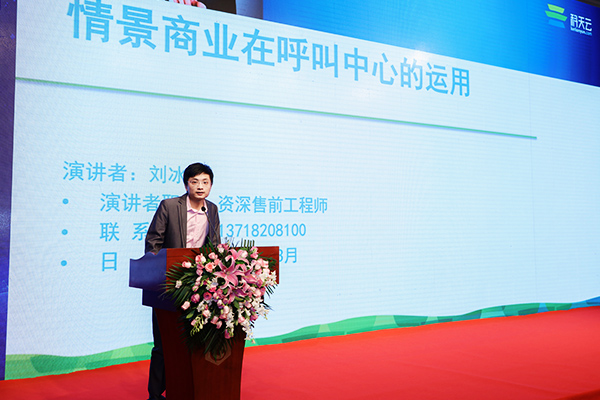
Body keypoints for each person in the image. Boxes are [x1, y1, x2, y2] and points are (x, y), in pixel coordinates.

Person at [144, 162, 221, 400]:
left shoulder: (212, 210)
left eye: (205, 182)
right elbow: (153, 242)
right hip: (168, 284)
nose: (200, 186)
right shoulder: (169, 206)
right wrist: (160, 269)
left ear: (211, 185)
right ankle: (155, 395)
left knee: (192, 343)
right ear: (186, 184)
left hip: (197, 286)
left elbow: (214, 246)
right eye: (194, 181)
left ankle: (185, 390)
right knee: (164, 343)